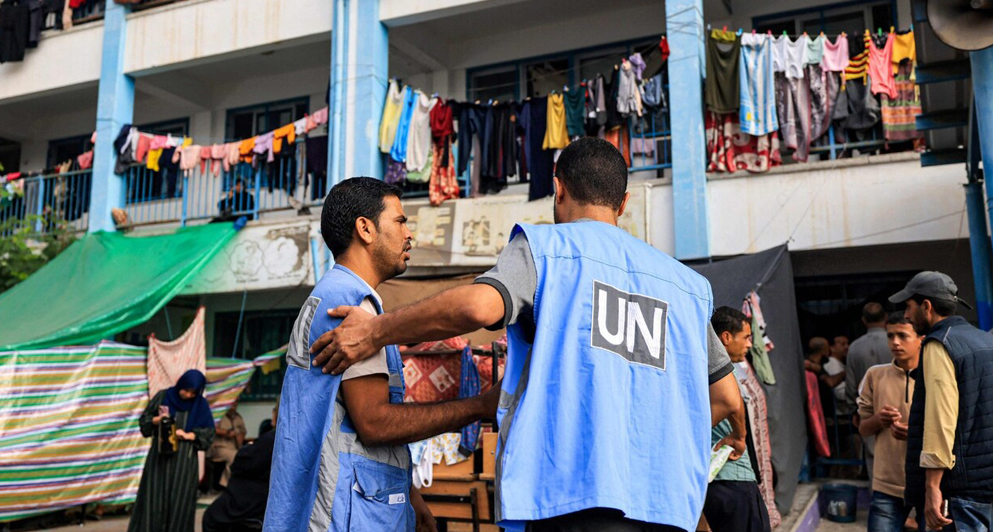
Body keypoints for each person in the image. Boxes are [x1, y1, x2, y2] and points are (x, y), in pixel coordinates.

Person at [310, 138, 747, 532]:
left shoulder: (547, 250)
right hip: (668, 505)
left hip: (570, 501)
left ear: (558, 190)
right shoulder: (686, 286)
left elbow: (479, 307)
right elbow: (728, 398)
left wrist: (376, 332)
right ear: (624, 202)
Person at [264, 177, 499, 532]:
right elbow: (374, 423)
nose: (409, 234)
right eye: (400, 221)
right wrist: (479, 406)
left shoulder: (334, 293)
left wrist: (410, 495)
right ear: (365, 229)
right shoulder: (352, 304)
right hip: (343, 512)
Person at [891, 272, 993, 532]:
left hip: (964, 487)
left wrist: (932, 487)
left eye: (908, 306)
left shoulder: (940, 344)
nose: (905, 315)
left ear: (927, 306)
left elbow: (940, 419)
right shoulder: (986, 339)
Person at [857, 313, 925, 532]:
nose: (895, 342)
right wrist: (879, 419)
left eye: (903, 336)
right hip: (887, 483)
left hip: (931, 482)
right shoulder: (875, 376)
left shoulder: (935, 376)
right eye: (891, 336)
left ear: (921, 339)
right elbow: (863, 429)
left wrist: (917, 432)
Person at [705, 307, 771, 532]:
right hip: (733, 476)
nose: (750, 344)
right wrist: (739, 436)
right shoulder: (724, 374)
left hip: (709, 480)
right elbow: (732, 404)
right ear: (725, 337)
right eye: (745, 337)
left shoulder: (697, 366)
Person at [129, 370, 216, 532]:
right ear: (180, 384)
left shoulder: (200, 405)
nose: (189, 395)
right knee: (153, 499)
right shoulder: (163, 397)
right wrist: (158, 420)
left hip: (185, 461)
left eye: (193, 392)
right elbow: (144, 422)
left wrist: (188, 435)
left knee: (180, 503)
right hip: (159, 458)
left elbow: (208, 433)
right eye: (186, 390)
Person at [203, 406, 278, 532]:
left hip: (254, 498)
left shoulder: (273, 438)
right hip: (222, 447)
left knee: (212, 517)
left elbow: (245, 462)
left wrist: (246, 447)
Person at [846, 302, 892, 480]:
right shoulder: (898, 341)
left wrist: (853, 409)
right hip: (900, 407)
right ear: (885, 317)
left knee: (874, 458)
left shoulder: (855, 347)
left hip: (869, 410)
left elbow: (851, 385)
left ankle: (879, 500)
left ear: (864, 321)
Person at [207, 400, 247, 490]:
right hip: (219, 447)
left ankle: (239, 485)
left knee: (242, 456)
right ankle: (226, 485)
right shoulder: (219, 415)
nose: (234, 407)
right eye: (232, 405)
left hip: (234, 446)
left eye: (235, 405)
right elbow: (212, 428)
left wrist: (240, 436)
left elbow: (243, 431)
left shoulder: (238, 417)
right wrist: (227, 433)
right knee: (233, 456)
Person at [825, 335, 850, 416]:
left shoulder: (840, 364)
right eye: (843, 344)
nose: (847, 347)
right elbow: (840, 393)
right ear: (832, 348)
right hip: (842, 414)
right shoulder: (833, 364)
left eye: (847, 344)